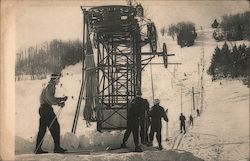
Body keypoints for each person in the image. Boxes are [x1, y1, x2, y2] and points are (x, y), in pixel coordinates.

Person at [34, 74, 68, 154]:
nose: (59, 81)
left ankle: (37, 148)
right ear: (55, 79)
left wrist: (61, 100)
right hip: (47, 109)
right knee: (56, 127)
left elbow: (48, 98)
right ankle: (57, 148)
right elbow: (50, 98)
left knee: (42, 130)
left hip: (43, 109)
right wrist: (60, 101)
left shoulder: (47, 85)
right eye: (58, 79)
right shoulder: (51, 86)